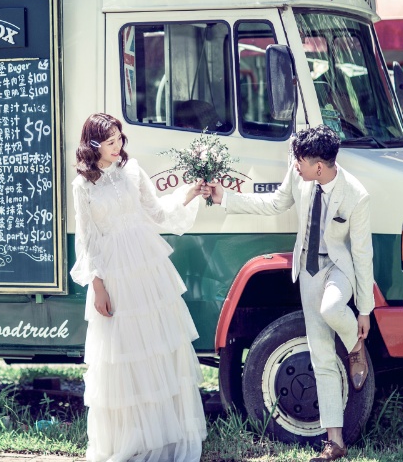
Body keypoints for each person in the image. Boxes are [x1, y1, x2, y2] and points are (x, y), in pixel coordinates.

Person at [205, 125, 373, 462]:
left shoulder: (356, 195)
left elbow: (362, 253)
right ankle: (334, 442)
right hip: (308, 270)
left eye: (300, 161)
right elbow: (275, 203)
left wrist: (365, 310)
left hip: (338, 268)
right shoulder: (298, 175)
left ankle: (355, 343)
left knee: (331, 309)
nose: (294, 164)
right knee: (321, 355)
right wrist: (225, 197)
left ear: (319, 167)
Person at [70, 113, 207, 462]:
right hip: (114, 273)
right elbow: (86, 241)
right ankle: (132, 438)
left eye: (120, 139)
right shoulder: (82, 186)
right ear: (94, 145)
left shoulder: (133, 170)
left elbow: (158, 213)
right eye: (111, 141)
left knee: (158, 348)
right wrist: (98, 286)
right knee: (124, 355)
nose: (118, 147)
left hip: (147, 268)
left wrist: (189, 194)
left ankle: (164, 436)